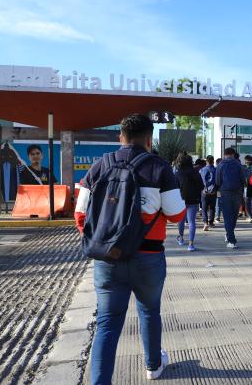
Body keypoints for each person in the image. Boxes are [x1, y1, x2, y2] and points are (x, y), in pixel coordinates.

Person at [74, 113, 186, 383]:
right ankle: (153, 366)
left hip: (107, 259)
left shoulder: (99, 166)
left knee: (107, 324)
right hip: (148, 257)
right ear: (149, 139)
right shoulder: (159, 168)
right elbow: (177, 214)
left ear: (120, 138)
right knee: (149, 311)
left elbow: (80, 216)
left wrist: (108, 240)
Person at [216, 148, 245, 249]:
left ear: (225, 154)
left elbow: (217, 180)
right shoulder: (238, 164)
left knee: (227, 216)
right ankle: (229, 235)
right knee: (234, 216)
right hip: (237, 193)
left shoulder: (221, 164)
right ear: (233, 154)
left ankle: (231, 240)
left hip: (225, 193)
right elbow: (243, 179)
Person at [176, 154, 204, 252]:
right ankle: (191, 244)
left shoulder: (178, 173)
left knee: (181, 220)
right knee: (191, 222)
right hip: (194, 199)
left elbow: (175, 187)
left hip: (181, 199)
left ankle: (181, 238)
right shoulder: (196, 172)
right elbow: (201, 186)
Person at [200, 155, 217, 231]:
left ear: (206, 161)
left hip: (205, 191)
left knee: (204, 208)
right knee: (212, 208)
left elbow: (200, 180)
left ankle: (205, 223)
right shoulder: (216, 170)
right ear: (213, 161)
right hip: (213, 191)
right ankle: (211, 222)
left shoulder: (202, 170)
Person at [243, 155, 252, 222]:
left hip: (250, 186)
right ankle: (251, 216)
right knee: (250, 201)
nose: (246, 162)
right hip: (249, 187)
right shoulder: (245, 167)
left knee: (250, 201)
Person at [215, 158, 223, 223]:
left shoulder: (216, 169)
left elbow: (217, 181)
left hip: (218, 190)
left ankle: (217, 217)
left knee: (218, 202)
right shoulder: (224, 169)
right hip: (225, 189)